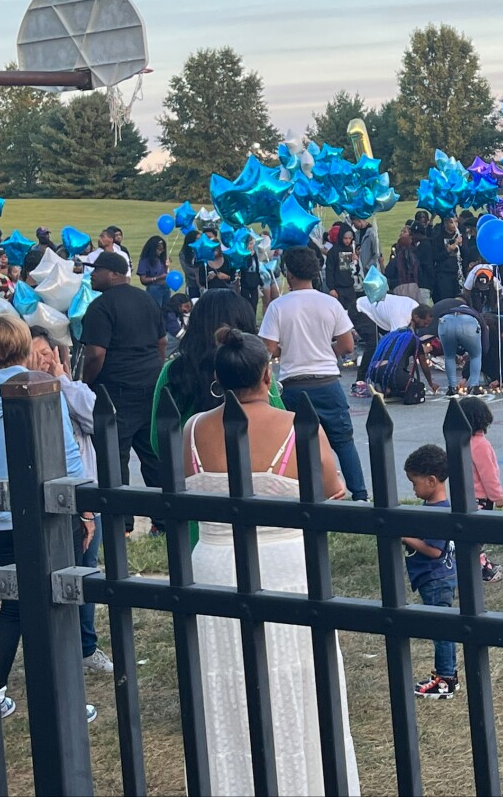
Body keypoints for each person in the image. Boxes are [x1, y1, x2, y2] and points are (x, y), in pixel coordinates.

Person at [183, 328, 358, 793]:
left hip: (214, 562)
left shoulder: (194, 429)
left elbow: (188, 492)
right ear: (268, 373)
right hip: (282, 561)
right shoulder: (296, 424)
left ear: (220, 379)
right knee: (296, 672)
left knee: (224, 676)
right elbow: (331, 487)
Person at [0, 316, 98, 723]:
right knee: (56, 601)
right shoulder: (42, 386)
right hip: (45, 507)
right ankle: (66, 697)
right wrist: (85, 506)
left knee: (14, 604)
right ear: (25, 344)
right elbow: (65, 448)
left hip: (0, 509)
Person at [29, 325, 112, 675]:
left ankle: (85, 646)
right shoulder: (21, 392)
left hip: (82, 492)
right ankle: (57, 647)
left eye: (48, 353)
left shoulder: (68, 388)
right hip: (42, 495)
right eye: (36, 355)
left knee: (84, 570)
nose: (44, 361)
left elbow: (97, 418)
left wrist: (62, 379)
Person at [259, 246, 368, 502]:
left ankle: (307, 491)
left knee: (298, 443)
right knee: (342, 440)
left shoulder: (278, 307)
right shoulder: (330, 303)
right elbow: (347, 345)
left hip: (293, 383)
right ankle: (359, 493)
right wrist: (328, 350)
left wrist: (285, 351)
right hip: (327, 380)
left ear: (289, 273)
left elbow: (268, 349)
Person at [80, 251, 166, 535]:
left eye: (97, 270)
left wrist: (84, 382)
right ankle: (163, 521)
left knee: (114, 457)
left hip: (116, 389)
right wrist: (155, 370)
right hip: (151, 385)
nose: (91, 274)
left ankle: (122, 524)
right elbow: (161, 341)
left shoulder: (100, 307)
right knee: (153, 455)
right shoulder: (146, 299)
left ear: (114, 273)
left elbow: (95, 354)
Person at [151, 288, 281, 458]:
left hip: (192, 473)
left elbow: (158, 440)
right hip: (257, 464)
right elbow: (281, 420)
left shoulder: (174, 370)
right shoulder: (258, 365)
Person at [401, 444, 460, 700]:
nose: (413, 488)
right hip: (439, 577)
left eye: (415, 483)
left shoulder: (436, 512)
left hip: (436, 578)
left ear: (432, 480)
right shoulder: (441, 507)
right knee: (441, 627)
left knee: (441, 629)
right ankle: (445, 676)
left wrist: (404, 536)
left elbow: (434, 550)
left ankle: (445, 678)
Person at [461, 396, 503, 583]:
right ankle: (480, 568)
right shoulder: (481, 445)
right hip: (481, 498)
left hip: (465, 495)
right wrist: (498, 497)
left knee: (470, 534)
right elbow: (489, 475)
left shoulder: (461, 442)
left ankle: (478, 561)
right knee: (477, 536)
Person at [433, 291, 490, 398]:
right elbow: (484, 333)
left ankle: (452, 387)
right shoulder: (472, 311)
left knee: (449, 356)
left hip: (445, 322)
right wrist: (484, 350)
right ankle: (473, 386)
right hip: (468, 324)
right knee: (476, 355)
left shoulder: (448, 309)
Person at [325, 224, 366, 367]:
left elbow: (355, 270)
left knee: (352, 316)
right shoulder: (333, 252)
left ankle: (353, 346)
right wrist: (331, 288)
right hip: (338, 289)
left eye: (350, 238)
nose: (347, 241)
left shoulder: (350, 251)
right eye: (345, 238)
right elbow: (329, 271)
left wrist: (356, 259)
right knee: (339, 318)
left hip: (350, 288)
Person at [384, 225, 423, 302]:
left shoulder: (396, 259)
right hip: (414, 288)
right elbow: (420, 273)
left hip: (399, 288)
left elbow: (388, 273)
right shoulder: (414, 258)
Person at [136, 236, 171, 312]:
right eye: (159, 249)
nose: (161, 251)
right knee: (156, 310)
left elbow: (166, 273)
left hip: (166, 287)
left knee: (167, 311)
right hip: (154, 288)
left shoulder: (162, 258)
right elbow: (143, 280)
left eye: (162, 249)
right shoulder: (145, 260)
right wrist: (158, 278)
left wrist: (167, 266)